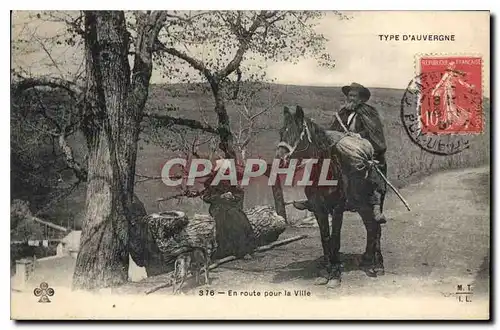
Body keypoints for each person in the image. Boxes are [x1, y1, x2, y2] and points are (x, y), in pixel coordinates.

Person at [293, 82, 387, 223]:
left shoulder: (369, 112)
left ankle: (374, 203)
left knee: (363, 165)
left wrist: (358, 135)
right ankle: (314, 198)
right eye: (349, 95)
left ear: (361, 98)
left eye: (354, 96)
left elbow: (374, 133)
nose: (351, 98)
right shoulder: (343, 112)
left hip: (362, 147)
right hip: (342, 146)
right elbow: (334, 130)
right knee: (322, 160)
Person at [201, 158, 257, 259]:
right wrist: (220, 197)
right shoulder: (211, 182)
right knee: (226, 220)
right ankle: (229, 251)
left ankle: (245, 249)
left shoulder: (232, 181)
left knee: (241, 219)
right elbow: (206, 197)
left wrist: (233, 196)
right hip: (217, 207)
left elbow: (239, 194)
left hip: (230, 206)